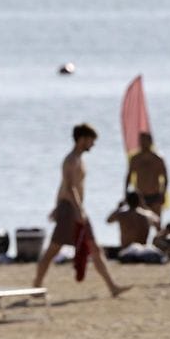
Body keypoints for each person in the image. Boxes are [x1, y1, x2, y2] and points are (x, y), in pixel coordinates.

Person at [33, 123, 130, 297]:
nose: (93, 145)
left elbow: (63, 186)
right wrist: (77, 210)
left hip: (73, 208)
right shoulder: (71, 160)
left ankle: (112, 286)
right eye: (91, 141)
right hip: (71, 209)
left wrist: (59, 207)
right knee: (53, 249)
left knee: (94, 248)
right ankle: (36, 286)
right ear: (82, 139)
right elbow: (70, 188)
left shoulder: (78, 159)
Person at [124, 132, 169, 219]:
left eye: (145, 141)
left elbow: (165, 178)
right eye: (141, 141)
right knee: (139, 223)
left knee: (157, 222)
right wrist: (126, 193)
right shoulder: (135, 159)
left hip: (155, 195)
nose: (143, 143)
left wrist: (163, 194)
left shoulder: (158, 159)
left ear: (151, 142)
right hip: (140, 197)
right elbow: (128, 176)